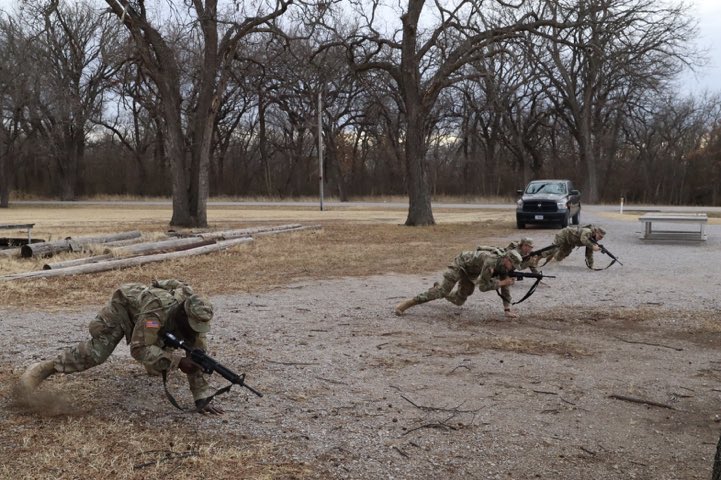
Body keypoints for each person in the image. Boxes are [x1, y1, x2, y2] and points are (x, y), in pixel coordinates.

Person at [18, 279, 223, 414]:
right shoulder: (157, 310)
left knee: (163, 354)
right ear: (183, 314)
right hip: (124, 309)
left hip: (150, 321)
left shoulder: (196, 316)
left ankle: (156, 359)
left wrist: (201, 397)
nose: (197, 329)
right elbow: (138, 349)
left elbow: (197, 356)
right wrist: (177, 361)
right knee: (97, 353)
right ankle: (45, 367)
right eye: (193, 324)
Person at [394, 248, 523, 318]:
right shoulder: (491, 262)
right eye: (513, 264)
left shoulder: (504, 267)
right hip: (460, 264)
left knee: (459, 300)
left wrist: (507, 309)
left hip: (470, 271)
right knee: (442, 291)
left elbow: (505, 287)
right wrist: (502, 282)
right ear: (507, 259)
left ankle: (438, 288)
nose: (513, 268)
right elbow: (483, 287)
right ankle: (407, 304)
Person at [541, 225, 606, 268]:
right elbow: (583, 239)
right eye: (600, 236)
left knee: (562, 255)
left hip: (570, 242)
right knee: (554, 248)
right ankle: (537, 257)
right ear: (596, 232)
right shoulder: (588, 231)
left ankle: (552, 257)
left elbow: (589, 253)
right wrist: (593, 246)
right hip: (564, 234)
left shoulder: (593, 239)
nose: (601, 238)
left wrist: (591, 266)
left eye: (602, 237)